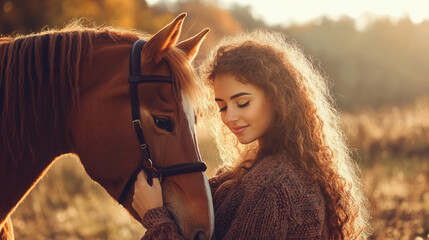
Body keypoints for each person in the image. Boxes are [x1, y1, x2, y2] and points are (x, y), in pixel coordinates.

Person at [132, 30, 371, 239]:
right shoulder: (257, 170)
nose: (229, 117)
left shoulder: (275, 187)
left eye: (243, 103)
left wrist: (156, 220)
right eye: (222, 106)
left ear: (278, 99)